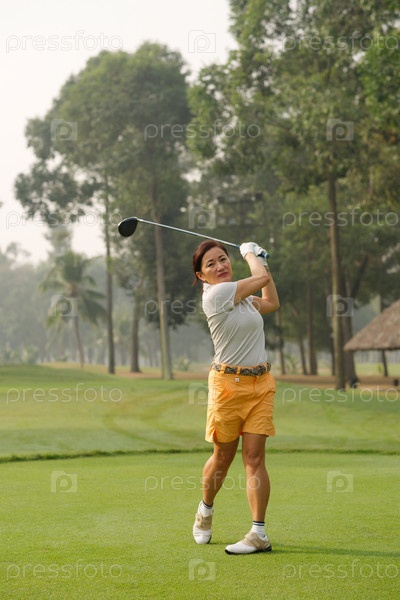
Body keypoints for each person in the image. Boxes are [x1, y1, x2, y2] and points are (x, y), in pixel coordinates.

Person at [191, 240, 280, 555]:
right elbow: (260, 279)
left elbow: (271, 301)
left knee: (254, 458)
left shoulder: (242, 297)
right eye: (211, 264)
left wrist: (261, 261)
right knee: (223, 457)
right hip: (227, 387)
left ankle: (258, 534)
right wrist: (251, 254)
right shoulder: (216, 296)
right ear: (201, 276)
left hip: (260, 384)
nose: (220, 266)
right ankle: (206, 509)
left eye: (223, 259)